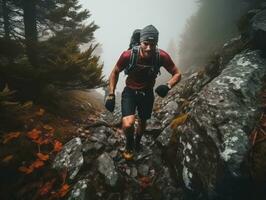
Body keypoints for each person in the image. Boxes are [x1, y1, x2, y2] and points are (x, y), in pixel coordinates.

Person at [105, 25, 181, 158]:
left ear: (156, 43)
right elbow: (115, 72)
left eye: (153, 44)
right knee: (128, 124)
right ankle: (129, 144)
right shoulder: (128, 55)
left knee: (143, 121)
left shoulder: (161, 56)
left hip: (147, 94)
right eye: (146, 43)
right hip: (130, 92)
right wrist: (111, 94)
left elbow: (177, 73)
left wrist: (168, 86)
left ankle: (137, 143)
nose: (149, 48)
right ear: (140, 41)